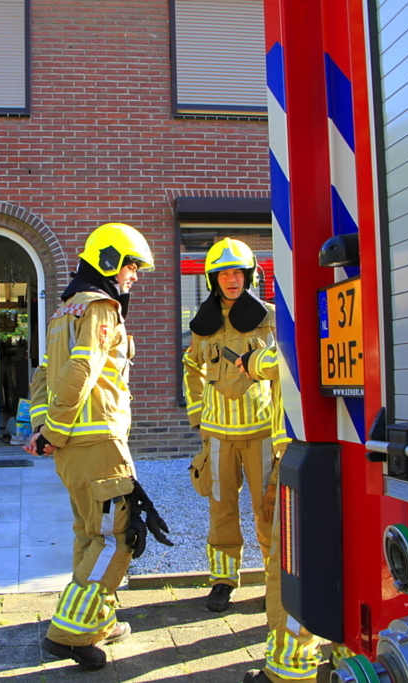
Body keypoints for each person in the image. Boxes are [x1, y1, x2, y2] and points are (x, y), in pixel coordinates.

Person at [25, 222, 171, 671]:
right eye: (131, 266)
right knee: (119, 536)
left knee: (89, 532)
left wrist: (43, 431)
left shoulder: (62, 310)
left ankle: (99, 619)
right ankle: (69, 635)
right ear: (109, 261)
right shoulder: (102, 308)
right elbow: (80, 372)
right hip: (98, 442)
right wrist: (54, 431)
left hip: (71, 449)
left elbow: (41, 377)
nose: (134, 276)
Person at [182, 237, 276, 613]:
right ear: (213, 279)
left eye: (238, 272)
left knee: (267, 510)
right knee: (221, 509)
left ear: (249, 275)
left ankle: (276, 582)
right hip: (218, 435)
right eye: (224, 273)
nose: (232, 280)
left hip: (262, 434)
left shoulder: (269, 317)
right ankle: (223, 580)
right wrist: (198, 418)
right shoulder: (203, 325)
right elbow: (191, 368)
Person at [235, 345, 326, 682]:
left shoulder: (299, 326)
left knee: (294, 566)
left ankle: (289, 670)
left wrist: (253, 361)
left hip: (299, 453)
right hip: (306, 452)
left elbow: (292, 357)